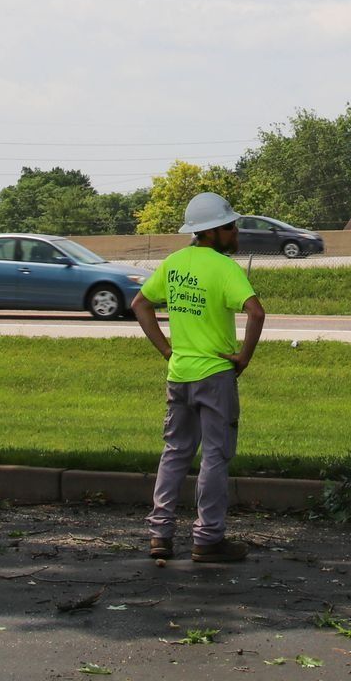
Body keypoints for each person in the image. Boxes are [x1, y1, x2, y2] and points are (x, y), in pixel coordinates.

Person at [131, 190, 266, 563]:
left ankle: (160, 535)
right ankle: (207, 538)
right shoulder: (224, 269)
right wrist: (244, 357)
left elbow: (140, 304)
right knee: (215, 456)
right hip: (215, 376)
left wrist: (166, 349)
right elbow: (256, 313)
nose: (236, 234)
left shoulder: (174, 263)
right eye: (231, 227)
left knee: (175, 452)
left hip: (180, 375)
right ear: (212, 232)